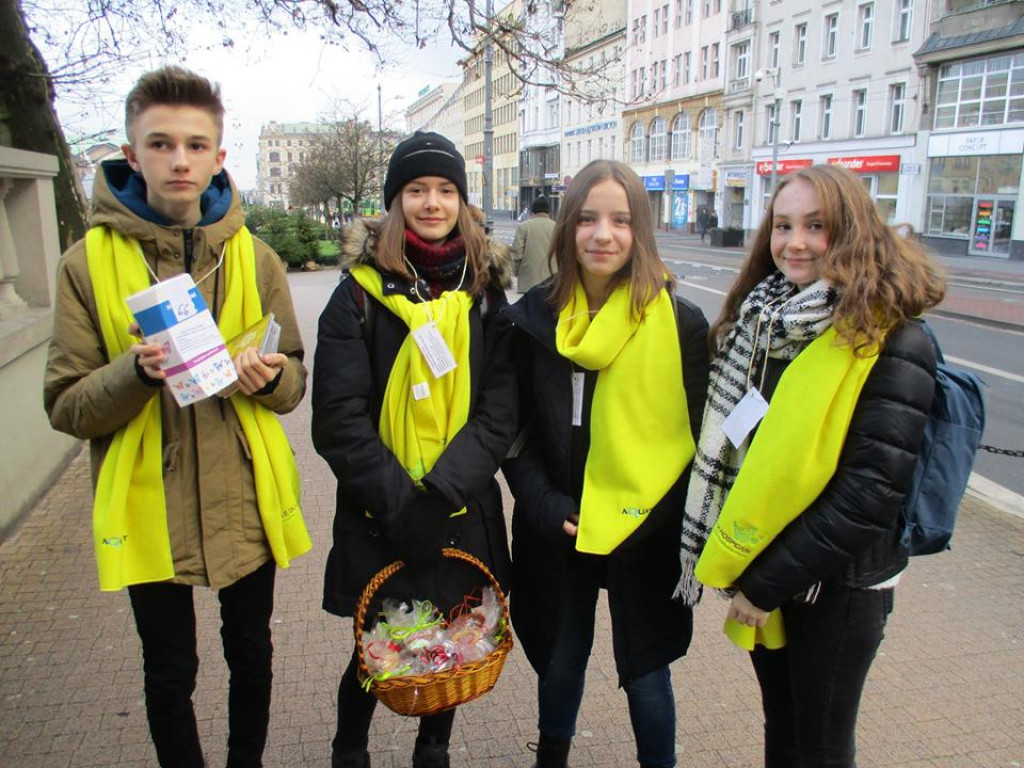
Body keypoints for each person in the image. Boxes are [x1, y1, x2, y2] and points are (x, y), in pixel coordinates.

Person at [43, 66, 311, 768]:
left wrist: (272, 378)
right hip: (148, 501)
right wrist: (132, 372)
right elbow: (66, 404)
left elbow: (294, 380)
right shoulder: (87, 264)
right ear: (132, 155)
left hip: (246, 497)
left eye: (197, 145)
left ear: (220, 156)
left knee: (252, 655)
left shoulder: (257, 258)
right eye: (161, 144)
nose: (180, 159)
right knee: (169, 672)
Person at [677, 164, 946, 768]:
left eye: (816, 226)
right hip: (764, 565)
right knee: (786, 728)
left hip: (840, 582)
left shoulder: (893, 337)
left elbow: (869, 493)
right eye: (782, 226)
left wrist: (763, 585)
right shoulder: (763, 322)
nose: (794, 242)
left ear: (851, 232)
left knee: (822, 743)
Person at [311, 131, 517, 768]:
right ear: (396, 201)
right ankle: (350, 748)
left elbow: (500, 409)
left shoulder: (485, 293)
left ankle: (434, 751)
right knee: (377, 646)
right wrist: (403, 507)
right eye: (417, 189)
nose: (432, 202)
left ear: (462, 200)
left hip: (460, 510)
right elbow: (339, 419)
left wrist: (444, 492)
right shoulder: (356, 297)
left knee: (455, 642)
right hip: (382, 514)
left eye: (446, 189)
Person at [503, 159, 710, 768]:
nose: (603, 234)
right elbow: (514, 436)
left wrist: (646, 516)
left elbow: (693, 440)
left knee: (647, 672)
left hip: (643, 530)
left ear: (639, 230)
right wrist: (545, 506)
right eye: (588, 219)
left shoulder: (679, 324)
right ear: (567, 227)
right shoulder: (533, 320)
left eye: (621, 220)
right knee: (560, 660)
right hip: (561, 527)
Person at [510, 195, 557, 293]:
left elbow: (517, 253)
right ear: (549, 211)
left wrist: (515, 272)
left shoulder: (523, 227)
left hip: (528, 282)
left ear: (533, 211)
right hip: (553, 281)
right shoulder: (557, 227)